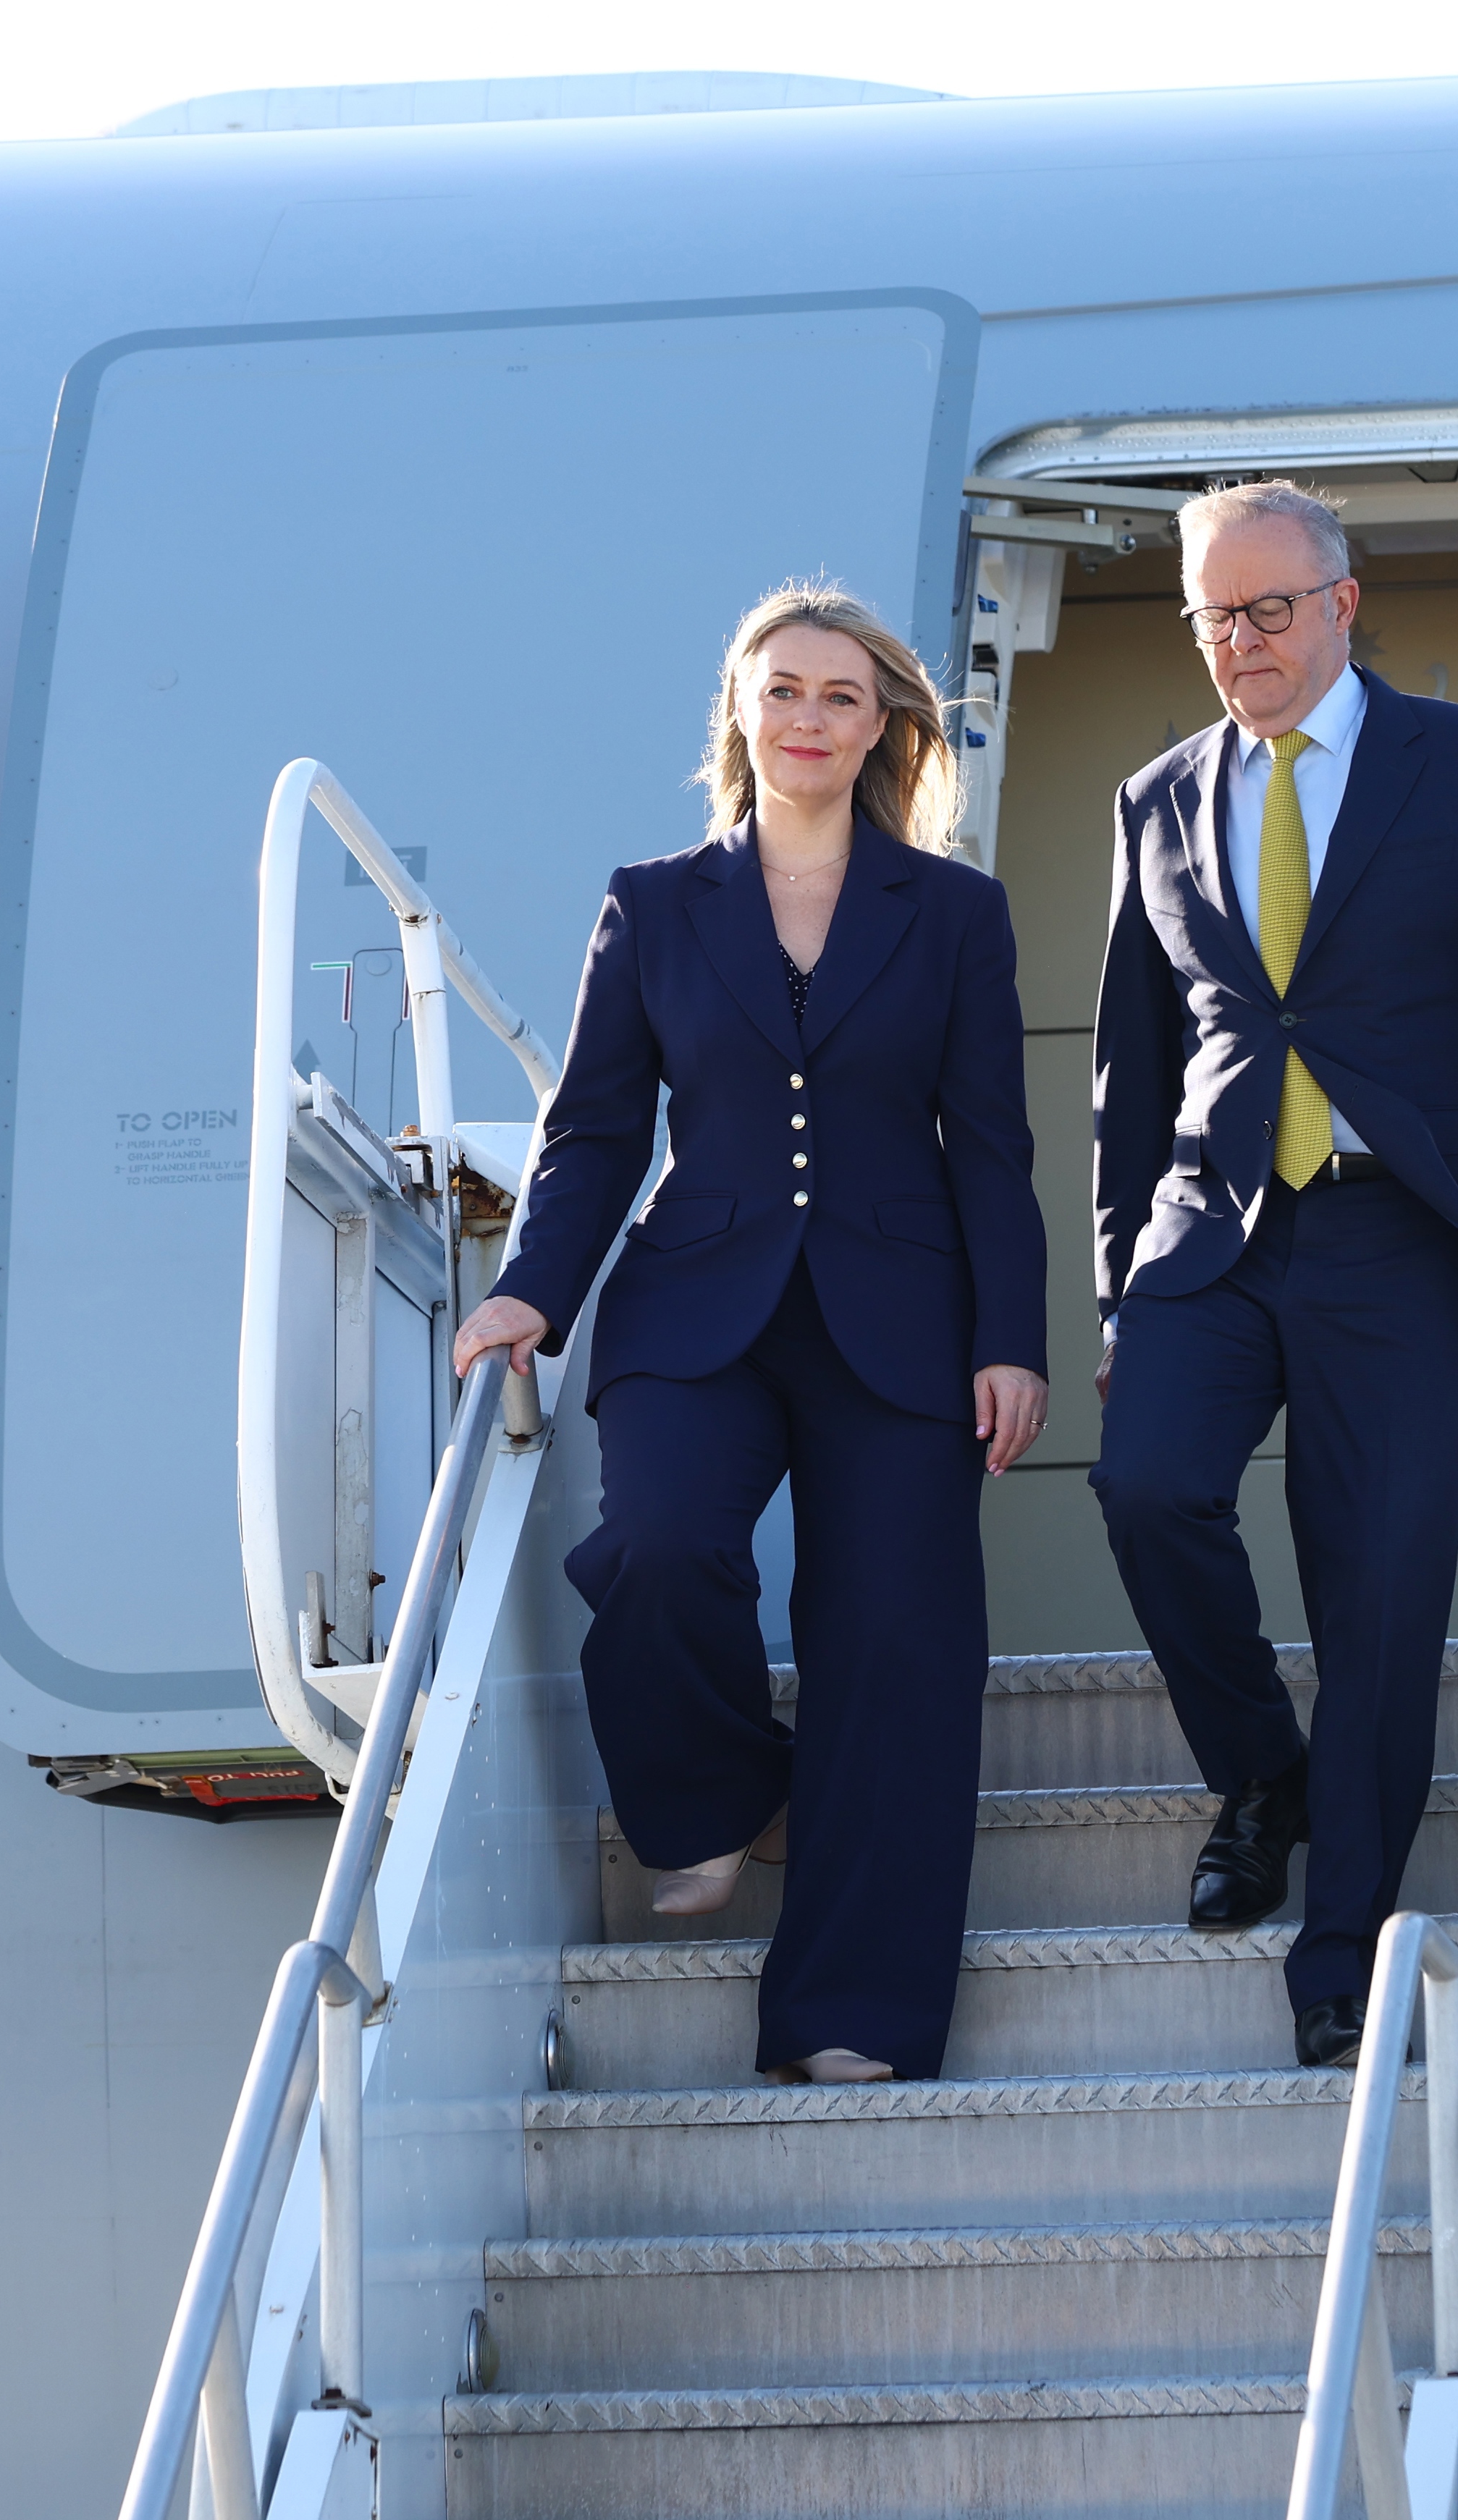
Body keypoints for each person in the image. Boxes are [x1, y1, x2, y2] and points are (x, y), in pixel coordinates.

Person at [1089, 481, 1458, 2069]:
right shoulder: (1158, 796)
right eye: (1215, 615)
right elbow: (1132, 1072)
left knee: (1382, 1595)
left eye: (1270, 610)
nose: (1241, 644)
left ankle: (1337, 1951)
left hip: (1400, 1237)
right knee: (1145, 1490)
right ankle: (1263, 1769)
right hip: (1208, 1232)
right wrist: (1114, 1289)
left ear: (1344, 603)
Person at [455, 584, 1045, 2084]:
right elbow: (594, 1129)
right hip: (691, 1304)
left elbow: (989, 1146)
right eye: (781, 688)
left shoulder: (956, 913)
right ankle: (715, 1793)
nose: (807, 717)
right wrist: (535, 1285)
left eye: (840, 695)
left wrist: (1012, 1337)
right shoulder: (654, 901)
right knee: (656, 1547)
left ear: (884, 725)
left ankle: (854, 2011)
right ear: (738, 709)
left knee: (897, 1650)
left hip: (902, 1323)